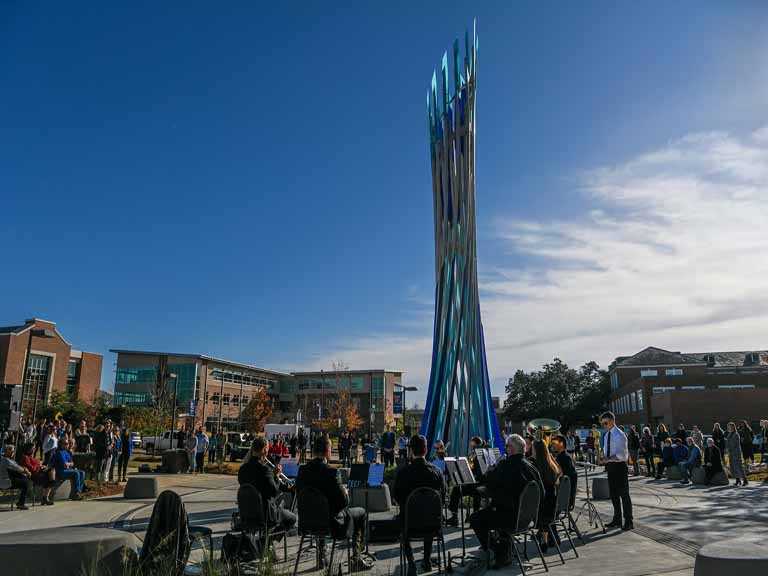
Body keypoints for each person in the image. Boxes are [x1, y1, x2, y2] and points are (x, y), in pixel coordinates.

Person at [294, 435, 374, 571]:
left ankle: (321, 556)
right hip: (332, 525)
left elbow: (301, 493)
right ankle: (356, 558)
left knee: (321, 510)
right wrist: (346, 493)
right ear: (328, 451)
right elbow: (343, 502)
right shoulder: (331, 472)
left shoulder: (302, 470)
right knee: (361, 513)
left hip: (306, 522)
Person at [468, 434, 542, 569]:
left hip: (509, 518)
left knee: (475, 519)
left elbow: (490, 487)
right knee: (497, 510)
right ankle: (505, 548)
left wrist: (490, 473)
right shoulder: (531, 467)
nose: (506, 449)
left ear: (512, 449)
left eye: (507, 446)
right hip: (529, 518)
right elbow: (541, 492)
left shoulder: (505, 465)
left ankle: (500, 552)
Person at [393, 435, 445, 576]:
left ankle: (411, 564)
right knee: (428, 513)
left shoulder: (403, 473)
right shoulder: (436, 472)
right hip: (433, 524)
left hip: (409, 524)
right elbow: (443, 500)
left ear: (411, 451)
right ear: (426, 450)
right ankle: (426, 560)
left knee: (400, 521)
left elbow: (396, 497)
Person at [238, 436, 297, 540]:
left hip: (247, 512)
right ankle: (267, 542)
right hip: (265, 514)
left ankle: (265, 542)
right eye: (267, 449)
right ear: (264, 450)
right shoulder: (264, 470)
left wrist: (273, 476)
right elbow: (274, 491)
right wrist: (277, 475)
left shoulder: (243, 469)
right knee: (292, 518)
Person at [600, 411, 633, 530]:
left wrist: (607, 458)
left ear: (612, 421)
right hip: (610, 467)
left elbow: (623, 455)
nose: (604, 425)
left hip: (620, 466)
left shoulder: (620, 435)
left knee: (624, 494)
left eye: (605, 423)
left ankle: (629, 521)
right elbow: (606, 450)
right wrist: (604, 457)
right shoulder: (607, 435)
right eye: (602, 424)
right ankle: (617, 519)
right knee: (613, 495)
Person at [445, 436, 485, 526]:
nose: (473, 449)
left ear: (479, 446)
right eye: (472, 447)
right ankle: (454, 516)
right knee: (456, 489)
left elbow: (482, 473)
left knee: (477, 491)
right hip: (472, 482)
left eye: (474, 447)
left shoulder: (483, 456)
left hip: (480, 484)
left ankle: (475, 516)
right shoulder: (472, 455)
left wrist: (475, 464)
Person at [531, 439, 561, 550]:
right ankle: (549, 537)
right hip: (553, 507)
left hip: (541, 510)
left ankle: (544, 535)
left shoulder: (535, 467)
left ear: (536, 450)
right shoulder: (552, 465)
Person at [0, 444, 33, 509]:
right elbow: (17, 468)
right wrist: (26, 471)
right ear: (6, 451)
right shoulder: (5, 460)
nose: (13, 452)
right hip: (4, 482)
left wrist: (24, 469)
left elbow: (16, 465)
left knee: (23, 478)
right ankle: (21, 503)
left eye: (13, 451)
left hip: (4, 480)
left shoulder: (5, 459)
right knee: (25, 483)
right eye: (12, 451)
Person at [551, 435, 577, 511]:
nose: (552, 445)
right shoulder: (563, 457)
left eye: (554, 443)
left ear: (561, 444)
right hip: (565, 498)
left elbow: (561, 476)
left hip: (564, 500)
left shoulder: (564, 458)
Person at [726, 421, 747, 486]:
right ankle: (737, 480)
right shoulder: (729, 434)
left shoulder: (736, 434)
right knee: (733, 467)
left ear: (733, 427)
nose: (729, 428)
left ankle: (745, 480)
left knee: (739, 467)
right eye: (728, 427)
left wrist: (730, 448)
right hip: (731, 453)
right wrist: (727, 449)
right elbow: (728, 443)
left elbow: (735, 444)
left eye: (730, 427)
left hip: (736, 453)